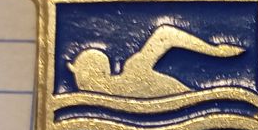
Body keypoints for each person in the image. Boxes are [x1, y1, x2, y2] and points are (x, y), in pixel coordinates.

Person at [69, 24, 243, 98]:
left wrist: (214, 51)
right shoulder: (99, 103)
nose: (78, 81)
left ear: (88, 74)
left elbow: (164, 35)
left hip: (191, 101)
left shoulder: (132, 70)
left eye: (79, 74)